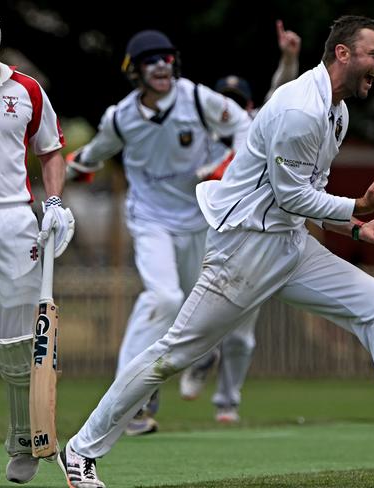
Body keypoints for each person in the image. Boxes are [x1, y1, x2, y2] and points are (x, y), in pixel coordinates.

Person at [58, 15, 374, 487]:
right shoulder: (301, 110)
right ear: (342, 53)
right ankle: (80, 450)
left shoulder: (336, 112)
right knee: (171, 355)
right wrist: (356, 205)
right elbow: (290, 196)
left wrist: (357, 229)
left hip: (287, 242)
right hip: (243, 247)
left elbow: (306, 195)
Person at [65, 29, 252, 436]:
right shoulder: (121, 116)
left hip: (200, 218)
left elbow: (245, 126)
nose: (162, 65)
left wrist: (231, 166)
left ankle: (200, 355)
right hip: (150, 221)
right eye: (151, 60)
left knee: (201, 314)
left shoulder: (198, 98)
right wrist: (71, 169)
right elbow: (95, 152)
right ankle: (129, 402)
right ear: (134, 70)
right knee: (163, 297)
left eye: (167, 57)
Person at [178, 20, 302, 424]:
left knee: (243, 332)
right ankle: (201, 357)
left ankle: (227, 401)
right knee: (193, 310)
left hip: (248, 237)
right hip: (201, 233)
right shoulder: (194, 131)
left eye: (236, 99)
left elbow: (281, 90)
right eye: (223, 98)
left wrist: (288, 57)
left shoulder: (253, 127)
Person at [0, 17, 75, 484]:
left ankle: (25, 438)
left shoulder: (24, 88)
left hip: (12, 219)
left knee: (16, 342)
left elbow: (51, 150)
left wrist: (54, 201)